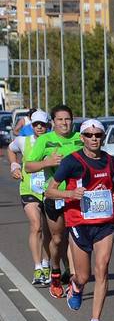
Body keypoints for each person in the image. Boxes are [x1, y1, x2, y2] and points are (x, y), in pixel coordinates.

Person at [47, 119, 114, 321]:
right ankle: (77, 286)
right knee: (83, 275)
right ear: (82, 138)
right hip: (79, 223)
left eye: (97, 135)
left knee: (103, 268)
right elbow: (50, 191)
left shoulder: (111, 161)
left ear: (102, 137)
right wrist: (70, 194)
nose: (93, 139)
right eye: (89, 135)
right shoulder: (72, 162)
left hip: (105, 223)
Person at [25, 105, 80, 299]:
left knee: (75, 238)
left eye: (68, 119)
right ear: (53, 122)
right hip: (54, 197)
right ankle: (55, 272)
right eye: (60, 120)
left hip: (76, 197)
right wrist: (47, 162)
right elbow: (29, 166)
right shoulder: (45, 140)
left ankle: (74, 280)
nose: (64, 123)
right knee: (57, 239)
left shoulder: (79, 139)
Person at [10, 110, 52, 287]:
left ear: (48, 125)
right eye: (36, 124)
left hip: (49, 189)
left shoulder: (52, 141)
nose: (40, 127)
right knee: (36, 225)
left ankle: (47, 263)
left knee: (49, 229)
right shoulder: (23, 141)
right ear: (32, 125)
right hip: (29, 189)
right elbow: (11, 150)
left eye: (43, 124)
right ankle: (37, 267)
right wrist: (14, 165)